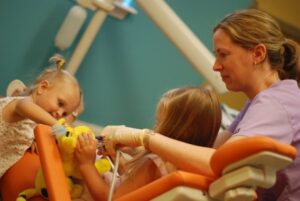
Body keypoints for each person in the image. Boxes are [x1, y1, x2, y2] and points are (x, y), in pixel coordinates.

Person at [101, 9, 300, 201]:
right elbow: (207, 150)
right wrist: (140, 151)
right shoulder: (258, 102)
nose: (216, 65)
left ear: (257, 54)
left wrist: (145, 137)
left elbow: (217, 163)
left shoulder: (276, 105)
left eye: (223, 54)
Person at [74, 86, 221, 200]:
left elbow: (111, 198)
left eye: (159, 122)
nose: (155, 128)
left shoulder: (155, 163)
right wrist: (120, 162)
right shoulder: (183, 170)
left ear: (183, 130)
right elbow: (137, 187)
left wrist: (86, 164)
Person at [0, 55, 82, 178]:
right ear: (42, 88)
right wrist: (57, 125)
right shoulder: (24, 103)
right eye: (60, 103)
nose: (60, 114)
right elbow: (25, 107)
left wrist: (33, 139)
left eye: (64, 113)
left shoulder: (34, 122)